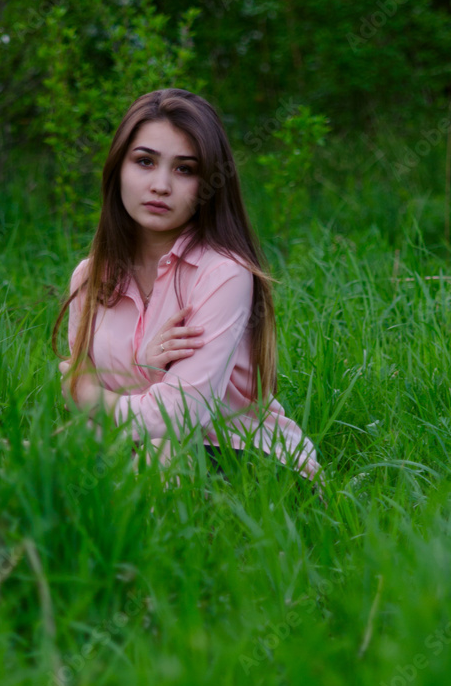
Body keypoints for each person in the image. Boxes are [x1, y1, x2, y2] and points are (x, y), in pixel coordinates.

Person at [52, 88, 322, 484]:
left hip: (251, 461)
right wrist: (146, 366)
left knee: (161, 454)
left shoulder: (224, 274)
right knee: (23, 460)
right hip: (138, 454)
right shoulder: (90, 278)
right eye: (144, 162)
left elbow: (178, 417)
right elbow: (88, 420)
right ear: (117, 169)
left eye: (185, 169)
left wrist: (93, 397)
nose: (161, 185)